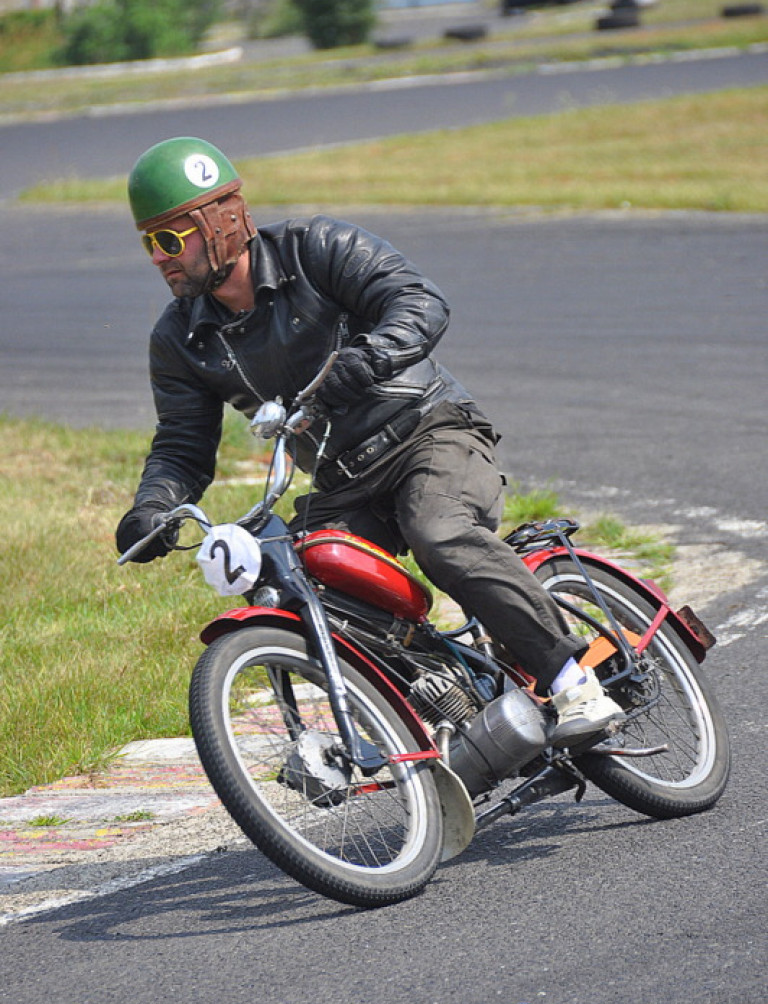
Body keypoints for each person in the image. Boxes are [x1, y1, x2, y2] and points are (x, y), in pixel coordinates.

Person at [116, 136, 624, 746]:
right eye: (149, 243)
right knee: (302, 585)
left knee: (437, 531)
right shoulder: (181, 339)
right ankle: (446, 714)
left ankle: (573, 681)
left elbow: (417, 301)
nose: (158, 257)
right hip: (343, 481)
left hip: (430, 432)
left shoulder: (314, 248)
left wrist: (371, 357)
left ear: (220, 223)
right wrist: (153, 506)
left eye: (170, 239)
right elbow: (182, 445)